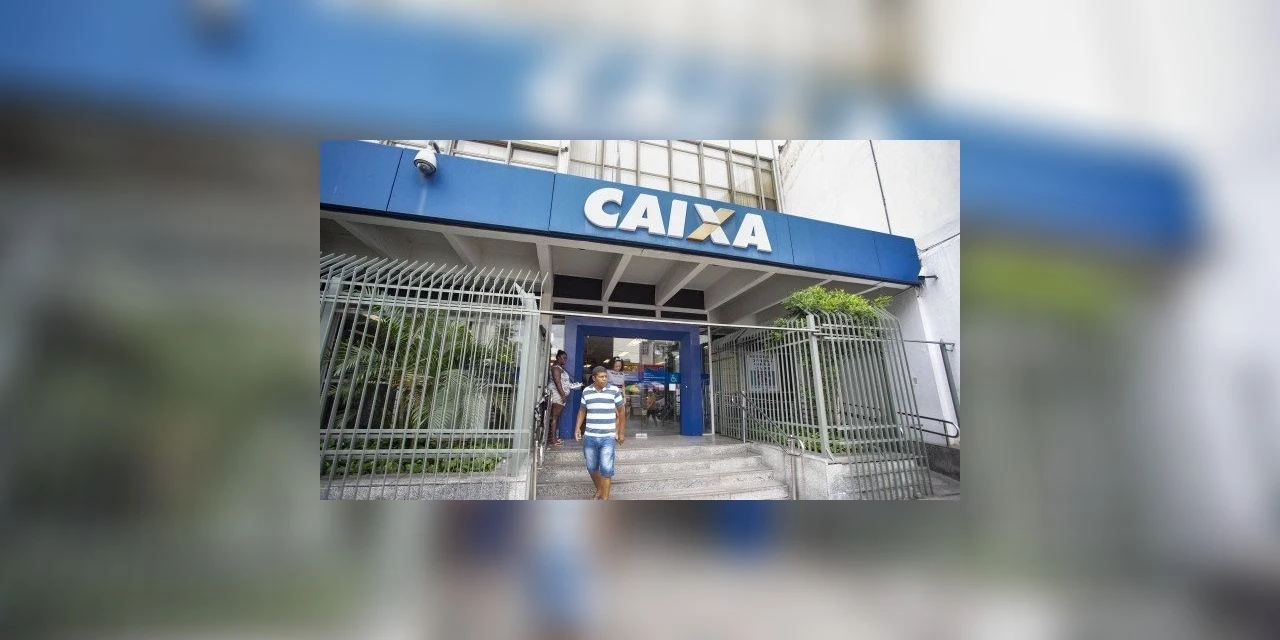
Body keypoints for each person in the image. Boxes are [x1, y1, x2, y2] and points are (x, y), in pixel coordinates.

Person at [575, 366, 625, 500]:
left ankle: (605, 499)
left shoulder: (614, 390)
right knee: (591, 467)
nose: (604, 379)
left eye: (606, 376)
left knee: (606, 469)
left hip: (607, 437)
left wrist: (621, 433)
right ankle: (599, 489)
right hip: (590, 436)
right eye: (601, 377)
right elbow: (582, 410)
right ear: (594, 378)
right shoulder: (586, 391)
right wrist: (577, 428)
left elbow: (621, 412)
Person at [547, 350, 573, 447]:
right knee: (554, 416)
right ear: (558, 357)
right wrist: (563, 395)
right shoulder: (555, 368)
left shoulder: (560, 368)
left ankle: (555, 437)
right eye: (563, 358)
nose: (565, 360)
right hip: (557, 395)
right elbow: (557, 382)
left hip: (560, 395)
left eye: (566, 358)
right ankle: (553, 439)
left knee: (557, 417)